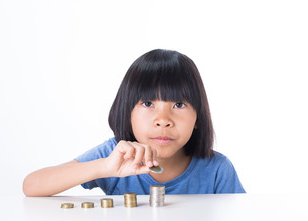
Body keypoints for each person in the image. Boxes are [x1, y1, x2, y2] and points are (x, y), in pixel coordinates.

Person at [23, 49, 245, 197]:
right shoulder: (115, 154)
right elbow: (31, 186)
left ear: (199, 118)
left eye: (178, 105)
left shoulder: (217, 170)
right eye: (148, 103)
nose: (163, 121)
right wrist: (104, 167)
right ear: (126, 111)